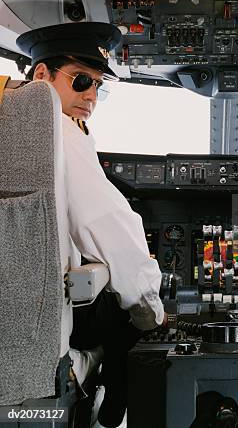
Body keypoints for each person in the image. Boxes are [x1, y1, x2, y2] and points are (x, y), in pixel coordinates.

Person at [16, 22, 167, 428]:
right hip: (37, 328)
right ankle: (111, 412)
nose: (90, 95)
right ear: (42, 75)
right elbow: (105, 223)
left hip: (17, 317)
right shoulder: (55, 129)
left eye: (98, 86)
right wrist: (150, 307)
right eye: (81, 80)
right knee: (133, 320)